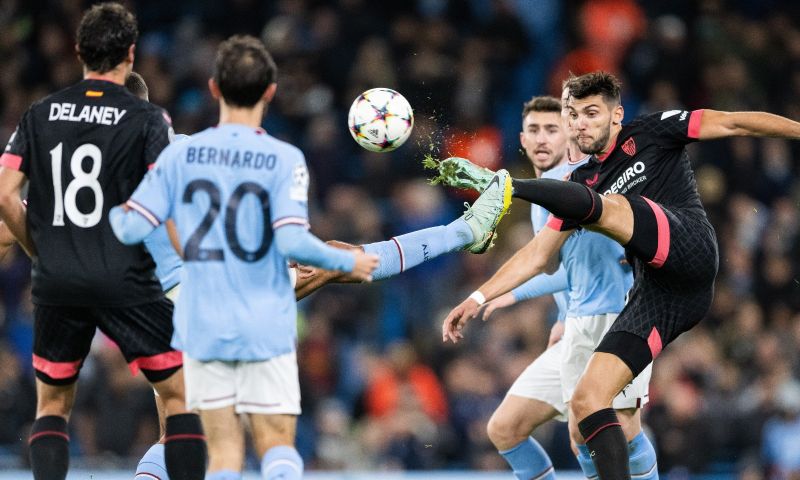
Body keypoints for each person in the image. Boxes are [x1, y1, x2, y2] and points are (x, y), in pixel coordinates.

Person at [439, 70, 800, 478]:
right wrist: (477, 298)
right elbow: (538, 255)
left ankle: (508, 185)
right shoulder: (581, 182)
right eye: (573, 115)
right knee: (588, 402)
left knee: (612, 206)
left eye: (591, 113)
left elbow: (735, 122)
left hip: (690, 247)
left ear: (616, 115)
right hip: (665, 296)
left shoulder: (653, 130)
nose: (580, 123)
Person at [109, 34, 381, 480]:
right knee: (273, 441)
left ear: (214, 88)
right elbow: (287, 236)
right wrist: (343, 264)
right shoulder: (263, 155)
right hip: (245, 299)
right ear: (270, 92)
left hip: (170, 312)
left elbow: (131, 226)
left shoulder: (164, 161)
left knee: (195, 438)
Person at [0, 3, 206, 479]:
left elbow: (6, 200)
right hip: (126, 278)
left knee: (51, 406)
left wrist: (42, 250)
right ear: (131, 55)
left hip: (59, 280)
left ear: (78, 52)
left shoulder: (41, 115)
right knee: (179, 400)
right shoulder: (148, 121)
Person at [431, 92, 655, 479]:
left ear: (569, 133)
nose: (542, 139)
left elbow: (591, 260)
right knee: (506, 428)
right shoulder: (542, 196)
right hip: (575, 328)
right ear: (520, 139)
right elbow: (562, 264)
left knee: (605, 430)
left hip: (613, 320)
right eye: (533, 130)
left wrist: (511, 293)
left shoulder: (586, 184)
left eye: (552, 129)